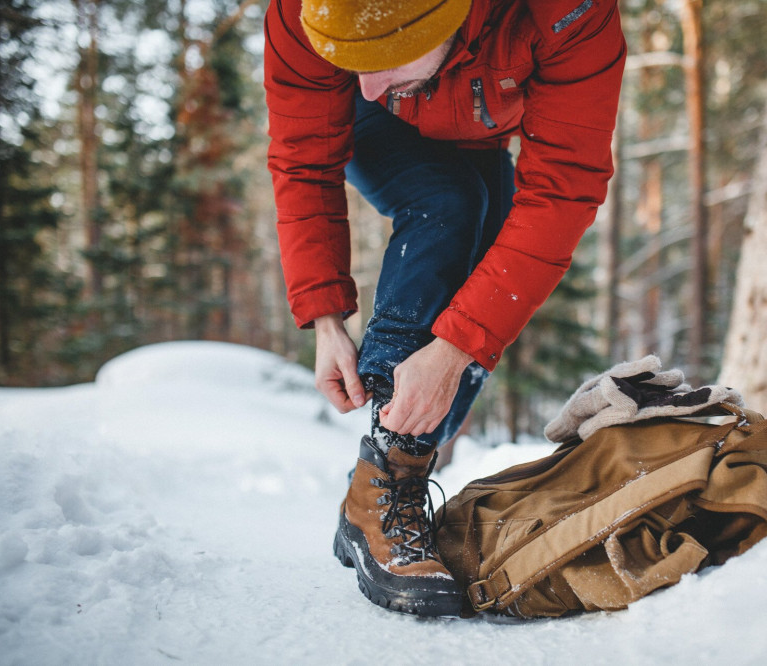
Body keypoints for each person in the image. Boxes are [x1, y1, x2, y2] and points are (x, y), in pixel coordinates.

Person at [264, 0, 626, 616]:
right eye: (350, 63)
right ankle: (381, 485)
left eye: (381, 58)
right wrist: (326, 319)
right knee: (446, 200)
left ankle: (398, 471)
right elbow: (304, 157)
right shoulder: (305, 15)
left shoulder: (568, 12)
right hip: (404, 129)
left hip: (479, 120)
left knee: (497, 236)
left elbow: (564, 182)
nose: (367, 86)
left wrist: (458, 348)